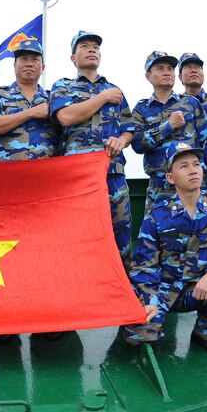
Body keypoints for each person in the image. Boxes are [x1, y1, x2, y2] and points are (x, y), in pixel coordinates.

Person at [126, 142, 207, 354]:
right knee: (137, 336)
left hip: (199, 288)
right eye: (183, 166)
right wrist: (149, 301)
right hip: (165, 290)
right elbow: (143, 267)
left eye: (196, 164)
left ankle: (205, 331)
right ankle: (145, 321)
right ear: (170, 178)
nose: (193, 170)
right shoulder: (157, 216)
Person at [49, 30, 135, 268]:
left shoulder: (115, 90)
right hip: (77, 174)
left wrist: (122, 140)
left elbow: (130, 129)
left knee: (121, 235)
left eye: (95, 47)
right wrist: (102, 98)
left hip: (112, 173)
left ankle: (124, 293)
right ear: (73, 58)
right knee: (78, 235)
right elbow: (65, 117)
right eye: (84, 46)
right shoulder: (63, 87)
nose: (91, 50)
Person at [131, 51, 207, 210]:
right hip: (159, 190)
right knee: (159, 233)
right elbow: (138, 145)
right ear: (148, 76)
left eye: (170, 69)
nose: (167, 72)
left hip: (194, 187)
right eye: (160, 69)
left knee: (197, 233)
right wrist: (168, 126)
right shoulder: (141, 108)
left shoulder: (190, 104)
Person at [0, 39, 58, 161]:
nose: (29, 64)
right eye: (23, 59)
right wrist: (31, 113)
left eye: (35, 59)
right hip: (9, 174)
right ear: (14, 66)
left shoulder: (53, 98)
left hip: (46, 174)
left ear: (43, 67)